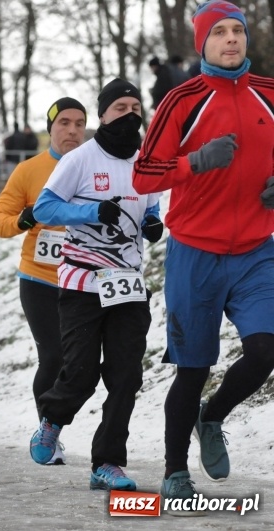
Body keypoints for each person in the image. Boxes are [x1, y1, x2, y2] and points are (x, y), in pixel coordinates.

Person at [133, 0, 274, 510]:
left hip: (258, 249)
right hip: (195, 251)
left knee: (265, 349)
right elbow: (144, 175)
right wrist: (194, 161)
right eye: (219, 32)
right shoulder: (181, 100)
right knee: (192, 368)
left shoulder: (270, 95)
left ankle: (211, 417)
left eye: (238, 30)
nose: (232, 39)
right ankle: (174, 472)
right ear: (203, 43)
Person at [29, 79, 163, 492]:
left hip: (128, 284)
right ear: (103, 114)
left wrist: (153, 221)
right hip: (82, 282)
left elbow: (152, 205)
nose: (130, 115)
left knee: (126, 377)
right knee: (82, 373)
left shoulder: (146, 160)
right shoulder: (81, 158)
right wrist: (93, 211)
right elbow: (44, 206)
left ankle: (107, 463)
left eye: (136, 108)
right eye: (120, 108)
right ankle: (52, 418)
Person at [0, 96, 88, 465]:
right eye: (64, 123)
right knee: (53, 355)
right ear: (51, 130)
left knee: (81, 363)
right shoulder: (30, 170)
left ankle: (55, 424)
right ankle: (49, 431)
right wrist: (23, 220)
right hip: (40, 278)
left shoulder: (96, 166)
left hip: (85, 281)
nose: (72, 130)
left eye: (79, 123)